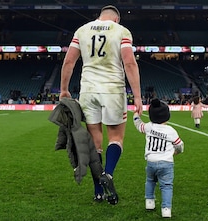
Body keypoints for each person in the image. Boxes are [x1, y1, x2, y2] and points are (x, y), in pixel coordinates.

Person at [59, 5, 143, 205]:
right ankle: (109, 174)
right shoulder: (121, 31)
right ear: (116, 20)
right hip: (113, 89)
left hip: (88, 90)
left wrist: (64, 89)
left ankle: (98, 191)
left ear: (100, 16)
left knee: (95, 143)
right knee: (115, 138)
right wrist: (138, 97)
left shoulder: (82, 30)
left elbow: (69, 62)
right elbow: (129, 63)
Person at [133, 98, 184, 218]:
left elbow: (138, 125)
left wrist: (136, 115)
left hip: (151, 161)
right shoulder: (171, 131)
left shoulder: (149, 127)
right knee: (166, 186)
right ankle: (166, 209)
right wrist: (176, 152)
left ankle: (149, 202)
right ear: (167, 116)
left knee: (150, 181)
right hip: (166, 163)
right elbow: (179, 145)